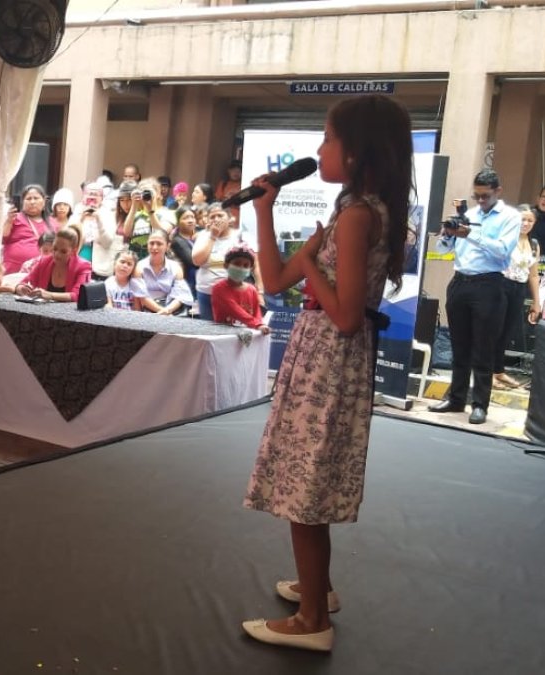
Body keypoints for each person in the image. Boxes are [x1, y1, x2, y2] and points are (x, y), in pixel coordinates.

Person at [242, 95, 414, 652]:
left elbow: (343, 316)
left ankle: (312, 619)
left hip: (329, 363)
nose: (318, 150)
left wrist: (313, 263)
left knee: (306, 490)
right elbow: (273, 281)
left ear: (358, 151)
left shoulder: (359, 215)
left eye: (327, 139)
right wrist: (265, 211)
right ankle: (319, 589)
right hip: (318, 357)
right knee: (305, 481)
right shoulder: (350, 211)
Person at [429, 169, 521, 425]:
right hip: (460, 282)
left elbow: (503, 252)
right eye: (476, 195)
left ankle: (479, 404)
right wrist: (447, 235)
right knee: (460, 346)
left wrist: (471, 234)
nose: (480, 201)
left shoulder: (510, 217)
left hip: (489, 285)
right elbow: (443, 248)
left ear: (497, 192)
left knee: (484, 347)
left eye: (485, 196)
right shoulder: (468, 215)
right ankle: (456, 398)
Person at [493, 204, 541, 390]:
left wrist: (537, 301)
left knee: (507, 331)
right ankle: (487, 372)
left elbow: (534, 274)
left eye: (530, 220)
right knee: (494, 330)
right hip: (501, 284)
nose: (526, 223)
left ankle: (498, 370)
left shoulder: (534, 244)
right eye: (522, 219)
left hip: (519, 288)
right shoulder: (505, 237)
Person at [15, 228, 92, 303]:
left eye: (63, 251)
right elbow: (23, 282)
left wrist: (50, 295)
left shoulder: (83, 266)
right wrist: (20, 288)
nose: (57, 254)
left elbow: (77, 295)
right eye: (55, 249)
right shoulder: (43, 262)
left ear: (73, 251)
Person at [191, 203, 241, 320]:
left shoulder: (239, 236)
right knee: (207, 330)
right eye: (212, 217)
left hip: (231, 293)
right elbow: (197, 261)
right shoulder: (203, 236)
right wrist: (213, 236)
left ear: (229, 218)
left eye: (220, 215)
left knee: (227, 331)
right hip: (205, 292)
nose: (216, 219)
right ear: (208, 220)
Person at [211, 245, 270, 333]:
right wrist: (257, 324)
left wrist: (260, 323)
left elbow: (257, 311)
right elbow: (235, 310)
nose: (241, 268)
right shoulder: (219, 289)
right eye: (237, 263)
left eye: (246, 265)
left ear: (250, 269)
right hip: (225, 336)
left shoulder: (252, 289)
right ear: (226, 265)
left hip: (248, 334)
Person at [3, 184, 58, 275]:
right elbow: (2, 238)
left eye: (36, 198)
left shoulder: (53, 223)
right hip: (14, 272)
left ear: (44, 201)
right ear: (22, 202)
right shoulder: (14, 218)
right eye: (28, 199)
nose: (32, 202)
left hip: (42, 272)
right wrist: (8, 221)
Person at [137, 230, 193, 315]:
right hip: (148, 311)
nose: (154, 247)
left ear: (168, 246)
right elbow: (141, 297)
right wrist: (163, 312)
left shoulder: (176, 268)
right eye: (151, 243)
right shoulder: (139, 267)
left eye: (159, 244)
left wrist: (168, 310)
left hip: (172, 311)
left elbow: (180, 295)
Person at [171, 207, 200, 299]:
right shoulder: (177, 241)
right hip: (190, 283)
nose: (190, 220)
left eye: (192, 217)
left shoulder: (200, 234)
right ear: (178, 222)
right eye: (186, 218)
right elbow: (194, 261)